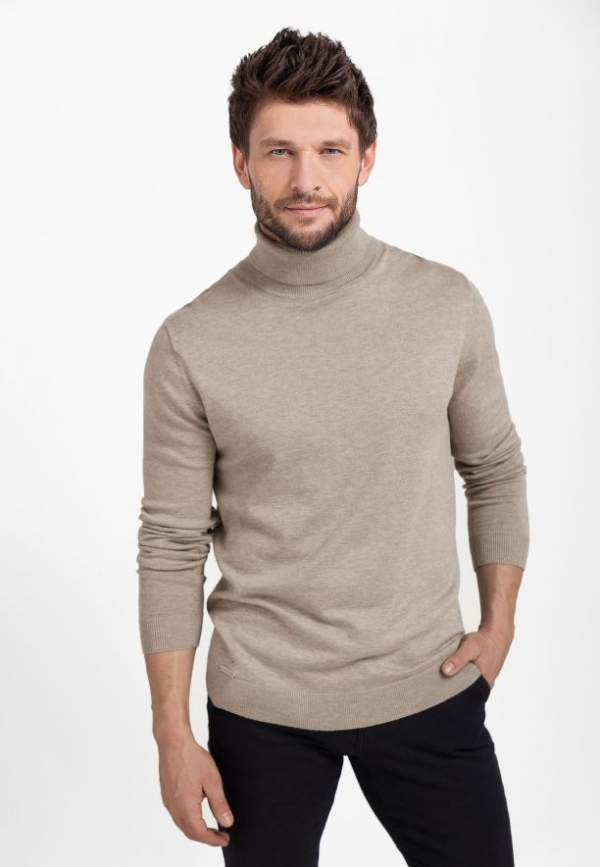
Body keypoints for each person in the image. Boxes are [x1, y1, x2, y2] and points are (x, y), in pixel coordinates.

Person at [136, 27, 529, 867]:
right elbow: (171, 541)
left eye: (329, 150)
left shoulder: (445, 304)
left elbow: (494, 468)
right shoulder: (190, 342)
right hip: (261, 709)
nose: (305, 179)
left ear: (367, 158)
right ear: (241, 163)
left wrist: (499, 625)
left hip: (428, 684)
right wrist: (172, 732)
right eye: (279, 151)